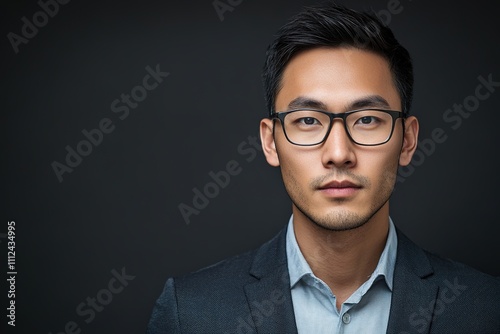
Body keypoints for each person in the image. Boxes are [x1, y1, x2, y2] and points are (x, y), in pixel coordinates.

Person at [147, 2, 500, 333]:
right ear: (271, 142)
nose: (338, 153)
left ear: (407, 140)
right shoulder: (191, 312)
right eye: (307, 121)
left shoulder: (485, 309)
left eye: (366, 119)